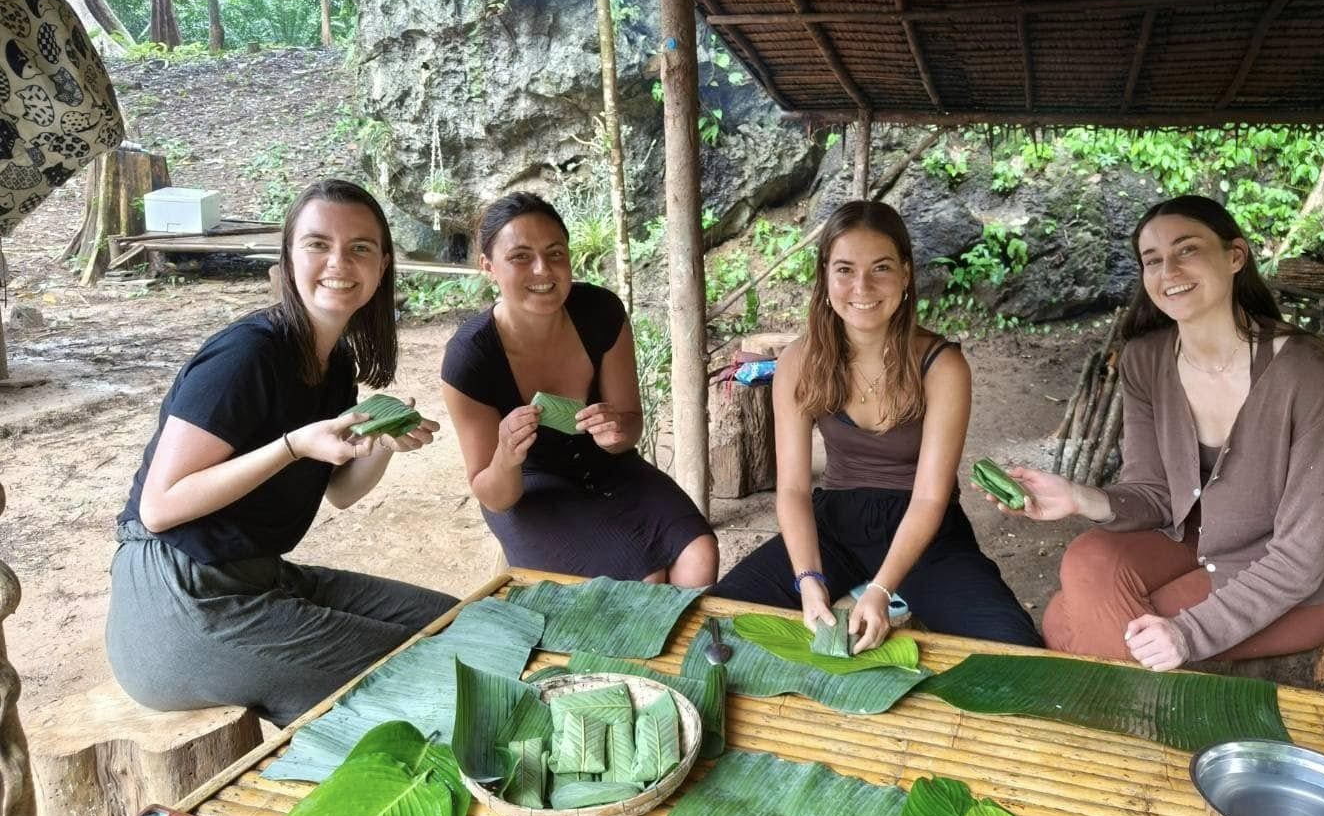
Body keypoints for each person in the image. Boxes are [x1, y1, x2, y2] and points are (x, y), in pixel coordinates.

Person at [107, 179, 456, 726]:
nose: (339, 261)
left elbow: (340, 492)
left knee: (459, 624)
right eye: (318, 243)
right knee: (432, 664)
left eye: (360, 247)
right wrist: (291, 447)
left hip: (257, 576)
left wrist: (382, 446)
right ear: (289, 255)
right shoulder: (245, 356)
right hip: (179, 599)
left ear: (383, 264)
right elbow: (160, 506)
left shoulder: (334, 364)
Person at [980, 195, 1324, 672]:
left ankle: (1135, 731)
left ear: (1235, 256)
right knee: (1088, 559)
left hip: (1286, 583)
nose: (1169, 271)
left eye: (1187, 250)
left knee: (1062, 624)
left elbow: (1301, 558)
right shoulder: (1146, 361)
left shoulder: (1307, 371)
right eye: (1152, 260)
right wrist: (1077, 497)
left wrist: (1187, 634)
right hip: (1190, 540)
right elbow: (1154, 493)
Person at [712, 200, 1041, 650]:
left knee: (1012, 644)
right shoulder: (799, 362)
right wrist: (808, 580)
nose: (862, 286)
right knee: (721, 617)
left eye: (881, 268)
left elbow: (930, 495)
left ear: (906, 274)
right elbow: (791, 489)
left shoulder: (942, 367)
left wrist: (881, 591)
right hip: (838, 523)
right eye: (845, 269)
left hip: (927, 531)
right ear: (825, 275)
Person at [440, 192, 717, 585]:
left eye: (555, 253)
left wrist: (615, 432)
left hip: (608, 466)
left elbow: (629, 427)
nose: (543, 270)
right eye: (520, 256)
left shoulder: (600, 312)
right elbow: (493, 494)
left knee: (700, 555)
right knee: (643, 582)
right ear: (489, 266)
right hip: (527, 488)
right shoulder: (470, 358)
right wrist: (506, 454)